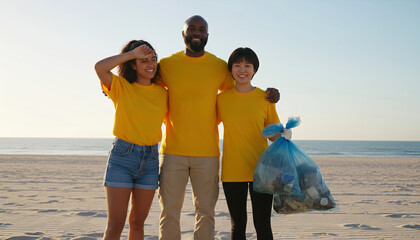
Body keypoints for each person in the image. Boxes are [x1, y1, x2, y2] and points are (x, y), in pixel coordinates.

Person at [157, 15, 280, 240]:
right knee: (169, 213)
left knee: (206, 214)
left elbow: (244, 87)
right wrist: (114, 89)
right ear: (183, 34)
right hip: (173, 151)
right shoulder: (166, 65)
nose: (196, 32)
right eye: (191, 28)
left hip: (208, 155)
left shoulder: (219, 66)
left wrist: (270, 94)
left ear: (207, 35)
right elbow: (144, 83)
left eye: (201, 29)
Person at [95, 40, 168, 240]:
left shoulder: (163, 93)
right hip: (122, 158)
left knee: (137, 222)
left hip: (151, 160)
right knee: (115, 224)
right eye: (143, 61)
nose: (150, 64)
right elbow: (99, 67)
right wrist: (131, 54)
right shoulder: (121, 87)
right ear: (133, 64)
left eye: (153, 59)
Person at [217, 47, 291, 240]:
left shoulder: (265, 98)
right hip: (232, 170)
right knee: (237, 224)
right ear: (231, 69)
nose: (242, 70)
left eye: (247, 65)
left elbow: (272, 137)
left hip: (262, 170)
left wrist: (284, 133)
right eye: (237, 65)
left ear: (254, 70)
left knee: (262, 223)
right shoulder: (221, 99)